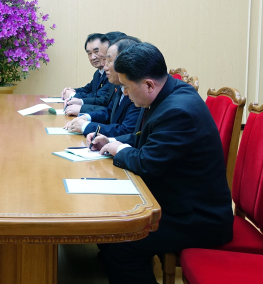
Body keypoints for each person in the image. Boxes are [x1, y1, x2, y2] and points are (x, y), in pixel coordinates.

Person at [88, 43, 233, 284]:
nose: (123, 93)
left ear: (148, 84)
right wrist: (113, 141)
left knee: (120, 241)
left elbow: (147, 163)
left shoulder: (178, 111)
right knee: (111, 230)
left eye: (125, 87)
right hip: (178, 200)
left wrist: (119, 150)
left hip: (198, 218)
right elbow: (147, 139)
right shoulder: (168, 93)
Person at [63, 37, 141, 136]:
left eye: (108, 61)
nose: (104, 66)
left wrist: (85, 126)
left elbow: (126, 131)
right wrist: (86, 117)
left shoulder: (137, 91)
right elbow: (109, 112)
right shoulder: (120, 87)